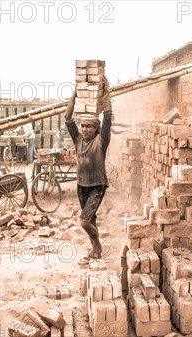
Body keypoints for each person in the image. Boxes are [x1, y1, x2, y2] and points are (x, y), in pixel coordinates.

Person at [65, 75, 113, 264]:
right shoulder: (77, 140)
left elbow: (108, 117)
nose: (84, 129)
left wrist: (106, 92)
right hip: (81, 185)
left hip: (97, 185)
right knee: (90, 220)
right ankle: (95, 252)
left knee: (84, 221)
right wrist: (76, 93)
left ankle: (97, 246)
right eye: (83, 126)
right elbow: (67, 117)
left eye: (89, 127)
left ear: (96, 129)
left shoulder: (101, 142)